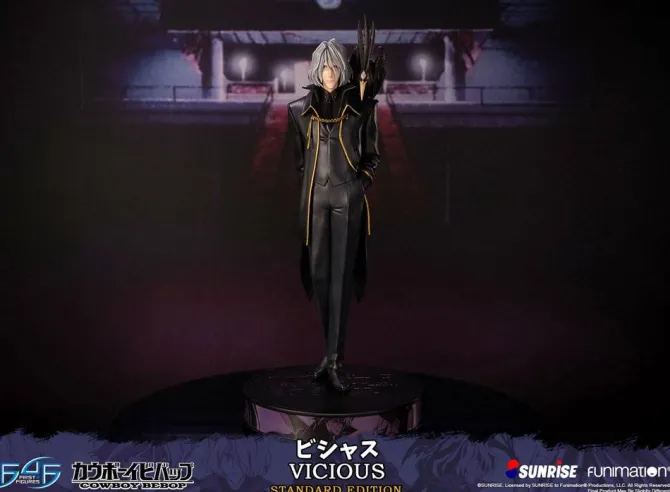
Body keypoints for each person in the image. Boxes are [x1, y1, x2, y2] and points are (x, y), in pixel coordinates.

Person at [287, 33, 384, 392]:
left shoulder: (362, 108)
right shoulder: (297, 110)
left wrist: (359, 185)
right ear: (316, 69)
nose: (329, 72)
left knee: (342, 277)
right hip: (315, 199)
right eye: (324, 66)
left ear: (343, 69)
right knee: (320, 276)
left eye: (334, 66)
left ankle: (335, 359)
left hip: (348, 197)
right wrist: (313, 189)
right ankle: (329, 355)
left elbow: (372, 155)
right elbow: (300, 162)